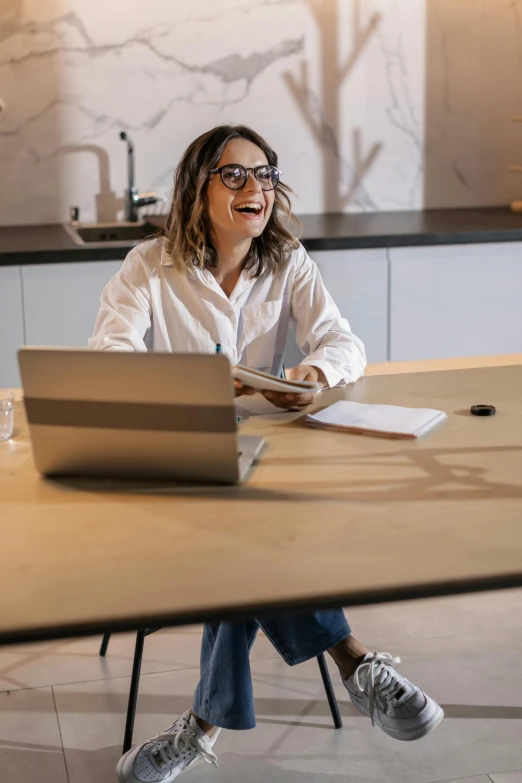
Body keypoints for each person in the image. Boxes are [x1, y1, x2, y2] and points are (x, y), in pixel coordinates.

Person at [89, 124, 444, 783]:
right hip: (177, 471)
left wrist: (312, 372)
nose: (255, 188)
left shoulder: (288, 262)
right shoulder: (148, 265)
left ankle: (199, 727)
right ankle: (354, 658)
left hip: (263, 470)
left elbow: (345, 343)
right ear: (198, 189)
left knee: (245, 538)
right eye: (234, 175)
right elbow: (110, 361)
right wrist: (192, 389)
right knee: (250, 535)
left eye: (266, 174)